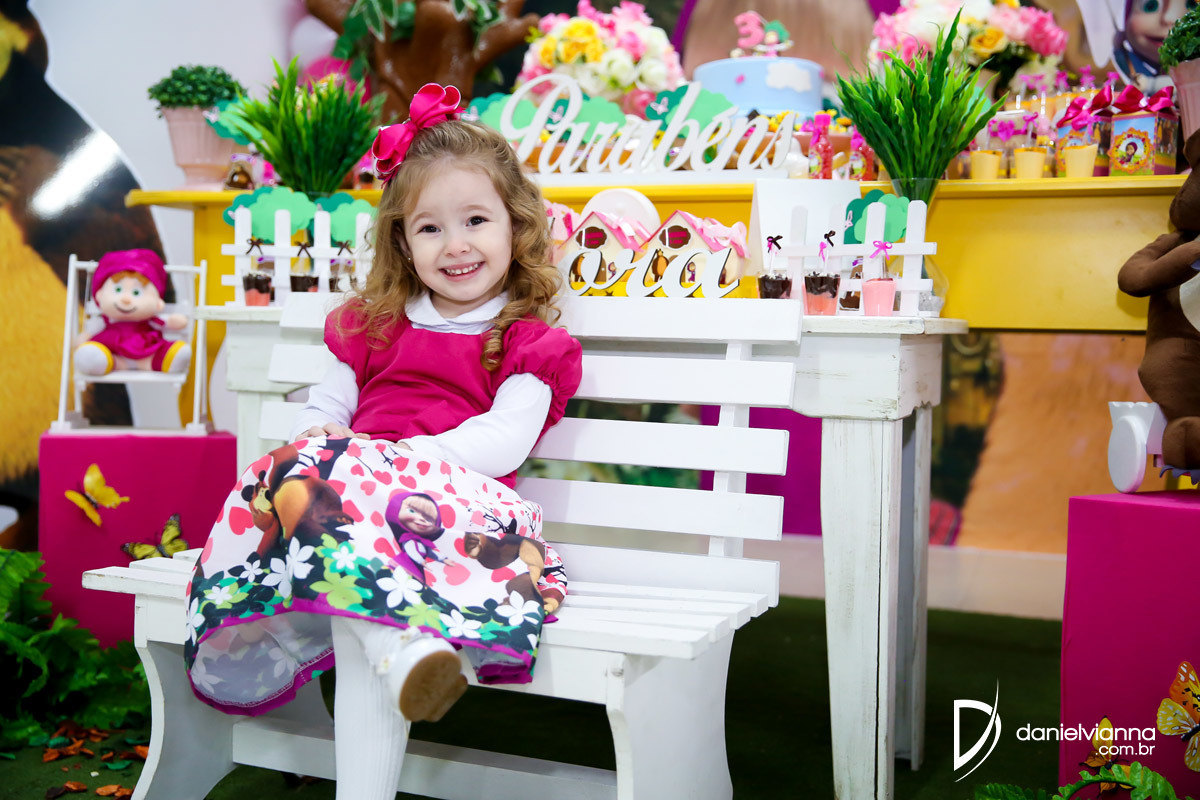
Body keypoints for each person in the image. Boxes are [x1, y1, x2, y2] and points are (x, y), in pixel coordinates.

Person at [183, 83, 582, 800]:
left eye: (476, 220)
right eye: (430, 228)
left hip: (459, 520)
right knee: (309, 485)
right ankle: (401, 649)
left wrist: (400, 459)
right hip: (356, 520)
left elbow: (503, 440)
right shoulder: (372, 326)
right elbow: (326, 408)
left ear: (516, 226)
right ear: (402, 240)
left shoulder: (526, 341)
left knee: (343, 549)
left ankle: (394, 659)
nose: (455, 244)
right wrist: (324, 435)